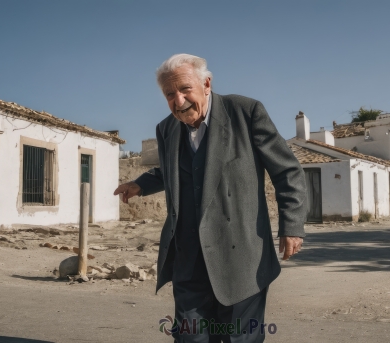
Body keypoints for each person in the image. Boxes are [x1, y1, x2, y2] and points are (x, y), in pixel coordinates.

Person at [114, 53, 306, 342]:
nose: (178, 101)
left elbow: (287, 171)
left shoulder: (245, 112)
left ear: (206, 83)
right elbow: (171, 170)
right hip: (189, 258)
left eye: (184, 89)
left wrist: (291, 226)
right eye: (170, 94)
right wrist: (140, 184)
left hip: (241, 257)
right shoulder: (166, 129)